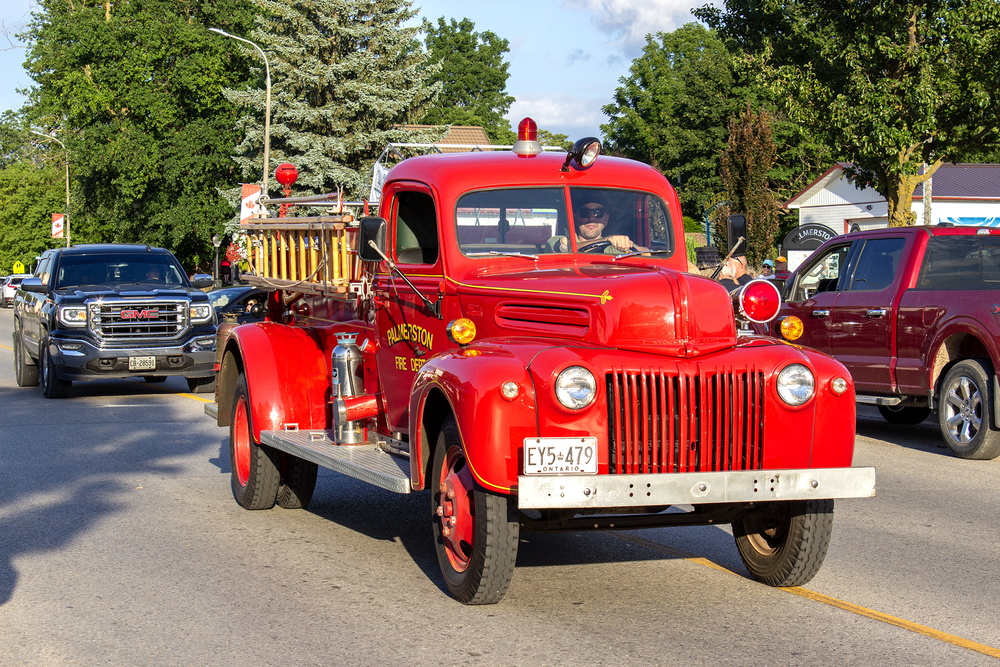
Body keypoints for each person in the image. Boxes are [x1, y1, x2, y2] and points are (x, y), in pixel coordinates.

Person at [547, 191, 639, 254]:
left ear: (606, 219)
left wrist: (627, 244)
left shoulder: (612, 246)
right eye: (584, 213)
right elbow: (562, 248)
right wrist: (606, 240)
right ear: (575, 219)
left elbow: (646, 254)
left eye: (598, 213)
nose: (591, 218)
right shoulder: (559, 241)